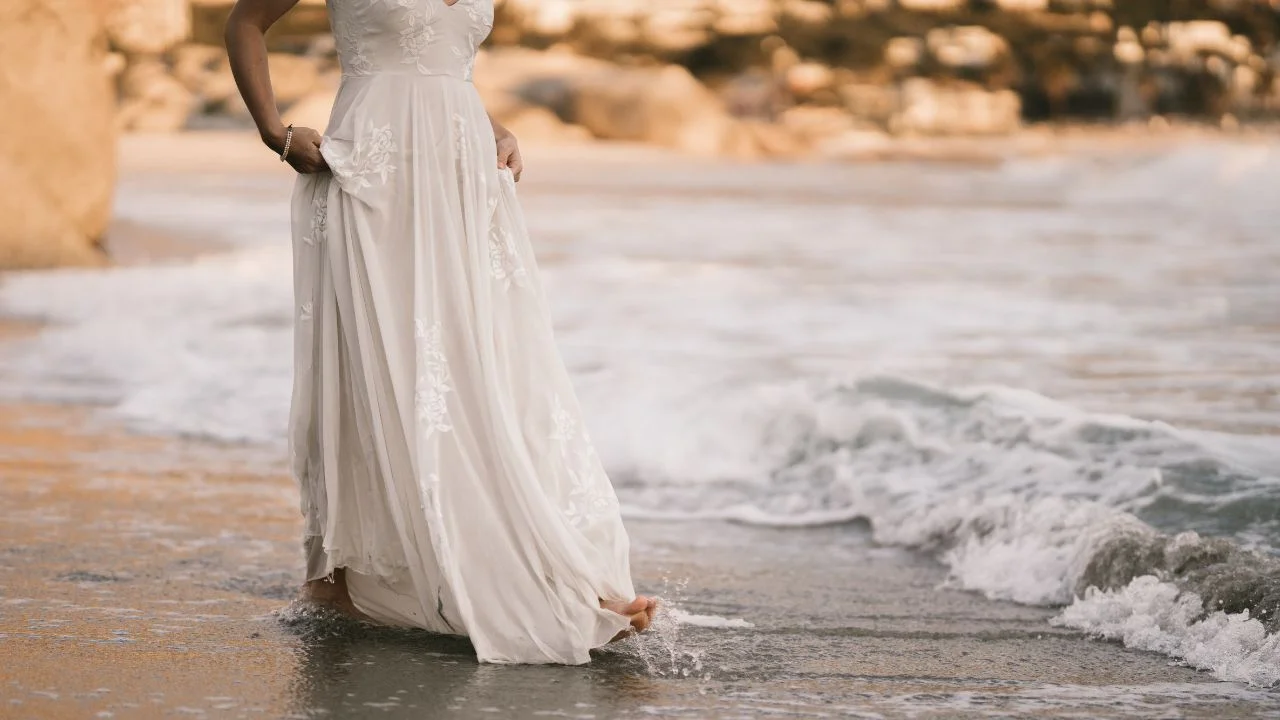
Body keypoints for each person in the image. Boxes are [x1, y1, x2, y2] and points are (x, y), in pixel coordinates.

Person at [225, 0, 656, 665]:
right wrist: (273, 130)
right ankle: (337, 576)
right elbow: (245, 21)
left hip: (459, 179)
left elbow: (443, 71)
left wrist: (496, 127)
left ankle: (548, 566)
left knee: (486, 367)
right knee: (374, 369)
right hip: (371, 176)